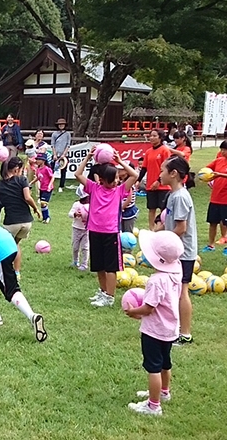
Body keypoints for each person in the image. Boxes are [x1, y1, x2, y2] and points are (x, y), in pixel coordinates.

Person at [124, 230, 183, 416]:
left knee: (153, 367)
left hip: (154, 331)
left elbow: (148, 308)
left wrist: (133, 312)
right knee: (166, 363)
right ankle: (164, 392)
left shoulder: (156, 281)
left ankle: (153, 405)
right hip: (170, 329)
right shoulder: (177, 272)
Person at [75, 147, 138, 307]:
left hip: (111, 233)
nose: (117, 180)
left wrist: (120, 161)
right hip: (95, 231)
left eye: (118, 177)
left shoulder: (119, 190)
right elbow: (78, 174)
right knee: (99, 266)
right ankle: (103, 293)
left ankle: (110, 297)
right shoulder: (94, 188)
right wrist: (88, 157)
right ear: (102, 179)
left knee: (111, 267)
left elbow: (135, 175)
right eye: (114, 178)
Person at [156, 156, 197, 346]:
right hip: (175, 252)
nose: (160, 174)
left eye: (163, 170)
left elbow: (181, 228)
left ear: (173, 174)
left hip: (183, 253)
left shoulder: (180, 196)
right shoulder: (174, 195)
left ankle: (185, 334)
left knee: (182, 291)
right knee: (175, 291)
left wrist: (163, 243)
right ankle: (173, 329)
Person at [0, 156, 40, 278]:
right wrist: (35, 209)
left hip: (11, 223)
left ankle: (3, 271)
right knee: (15, 245)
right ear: (16, 169)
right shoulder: (22, 180)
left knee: (6, 247)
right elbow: (27, 198)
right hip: (26, 222)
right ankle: (16, 272)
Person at [137, 130, 171, 230]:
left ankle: (162, 228)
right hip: (150, 185)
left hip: (163, 186)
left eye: (154, 136)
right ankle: (152, 229)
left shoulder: (165, 150)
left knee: (163, 209)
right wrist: (138, 180)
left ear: (160, 137)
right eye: (150, 136)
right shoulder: (148, 152)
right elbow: (144, 168)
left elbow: (167, 168)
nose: (151, 138)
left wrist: (158, 181)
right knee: (151, 208)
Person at [200, 140, 227, 253]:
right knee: (212, 223)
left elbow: (219, 174)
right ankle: (210, 245)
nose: (222, 152)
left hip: (225, 199)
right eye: (221, 149)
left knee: (226, 223)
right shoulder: (219, 160)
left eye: (225, 150)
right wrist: (207, 177)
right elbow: (205, 170)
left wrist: (220, 175)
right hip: (215, 198)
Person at [68, 186, 90, 271]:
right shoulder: (76, 204)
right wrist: (75, 214)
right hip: (76, 228)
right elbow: (70, 214)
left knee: (85, 247)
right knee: (75, 246)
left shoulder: (91, 205)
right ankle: (75, 261)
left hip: (86, 230)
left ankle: (84, 264)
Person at [30, 153, 54, 224]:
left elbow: (52, 177)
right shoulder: (38, 169)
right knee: (42, 203)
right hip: (42, 188)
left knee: (43, 203)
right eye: (36, 159)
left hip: (47, 188)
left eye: (39, 159)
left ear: (43, 161)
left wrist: (50, 185)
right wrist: (31, 183)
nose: (37, 161)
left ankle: (47, 217)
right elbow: (38, 177)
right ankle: (44, 218)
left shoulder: (47, 169)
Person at [51, 118, 71, 192]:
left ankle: (61, 186)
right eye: (59, 124)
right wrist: (54, 154)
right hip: (56, 155)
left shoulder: (67, 134)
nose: (61, 126)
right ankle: (50, 185)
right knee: (51, 170)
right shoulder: (54, 134)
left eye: (62, 124)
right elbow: (52, 145)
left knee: (63, 171)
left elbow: (68, 145)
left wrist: (64, 154)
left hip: (64, 155)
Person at [118, 163, 139, 233]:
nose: (118, 171)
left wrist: (121, 208)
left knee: (127, 231)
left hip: (128, 211)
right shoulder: (121, 183)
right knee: (120, 231)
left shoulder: (129, 184)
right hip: (122, 210)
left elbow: (129, 199)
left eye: (120, 170)